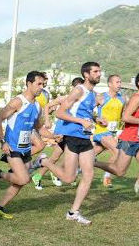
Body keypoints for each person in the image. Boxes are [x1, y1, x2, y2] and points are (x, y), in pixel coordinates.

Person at [35, 62, 101, 225]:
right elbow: (60, 112)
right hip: (71, 136)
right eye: (95, 71)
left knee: (89, 174)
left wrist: (96, 119)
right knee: (68, 177)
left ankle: (73, 212)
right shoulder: (79, 90)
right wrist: (81, 121)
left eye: (100, 71)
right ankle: (43, 161)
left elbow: (82, 113)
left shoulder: (92, 94)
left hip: (84, 138)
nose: (99, 74)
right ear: (86, 75)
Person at [93, 70, 139, 214]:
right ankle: (92, 162)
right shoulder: (137, 98)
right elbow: (125, 117)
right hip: (128, 140)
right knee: (119, 171)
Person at [0, 71, 52, 220]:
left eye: (43, 84)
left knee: (19, 182)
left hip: (26, 150)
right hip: (12, 148)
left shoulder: (37, 106)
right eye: (39, 84)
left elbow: (38, 128)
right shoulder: (18, 101)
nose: (41, 87)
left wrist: (54, 136)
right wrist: (3, 141)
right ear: (29, 84)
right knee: (24, 179)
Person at [27, 77, 85, 190]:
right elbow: (47, 106)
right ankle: (57, 174)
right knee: (66, 156)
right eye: (80, 88)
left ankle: (44, 175)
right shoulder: (65, 98)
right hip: (63, 131)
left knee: (56, 156)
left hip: (74, 132)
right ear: (74, 88)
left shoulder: (83, 102)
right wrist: (47, 120)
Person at [92, 74, 125, 187]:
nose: (119, 84)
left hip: (112, 132)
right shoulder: (101, 97)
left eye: (120, 82)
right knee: (118, 151)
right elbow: (87, 110)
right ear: (109, 84)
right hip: (101, 131)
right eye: (117, 82)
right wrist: (97, 118)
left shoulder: (122, 99)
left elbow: (122, 116)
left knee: (90, 154)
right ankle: (107, 177)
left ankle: (72, 169)